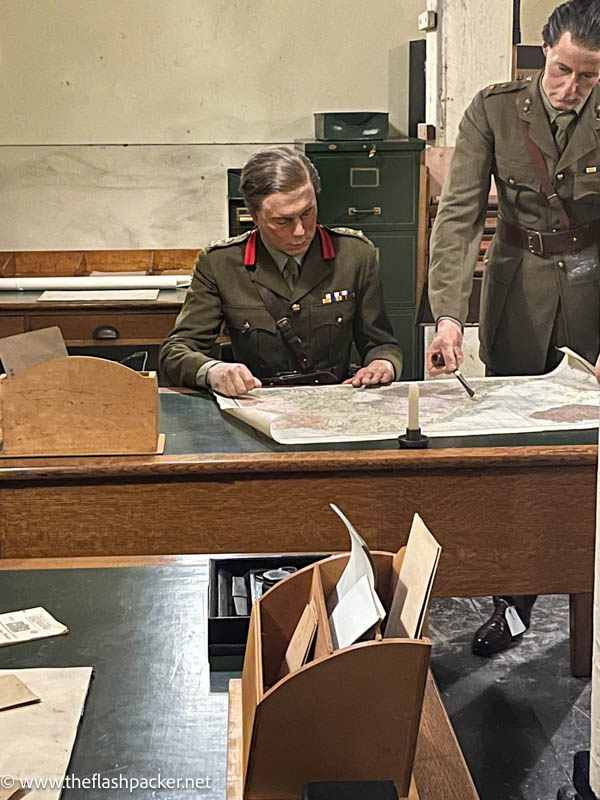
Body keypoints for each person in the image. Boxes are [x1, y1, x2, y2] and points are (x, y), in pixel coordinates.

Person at [426, 0, 600, 656]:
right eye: (561, 71)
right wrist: (449, 317)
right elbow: (459, 217)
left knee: (584, 467)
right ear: (543, 51)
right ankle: (515, 603)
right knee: (517, 461)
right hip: (516, 296)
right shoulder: (495, 110)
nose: (570, 89)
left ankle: (585, 606)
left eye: (587, 78)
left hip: (593, 294)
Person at [160, 147, 403, 395]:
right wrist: (213, 371)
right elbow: (175, 352)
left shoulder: (354, 255)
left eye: (307, 213)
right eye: (282, 221)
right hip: (256, 404)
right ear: (254, 216)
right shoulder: (221, 264)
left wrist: (382, 364)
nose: (300, 231)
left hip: (333, 403)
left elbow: (382, 343)